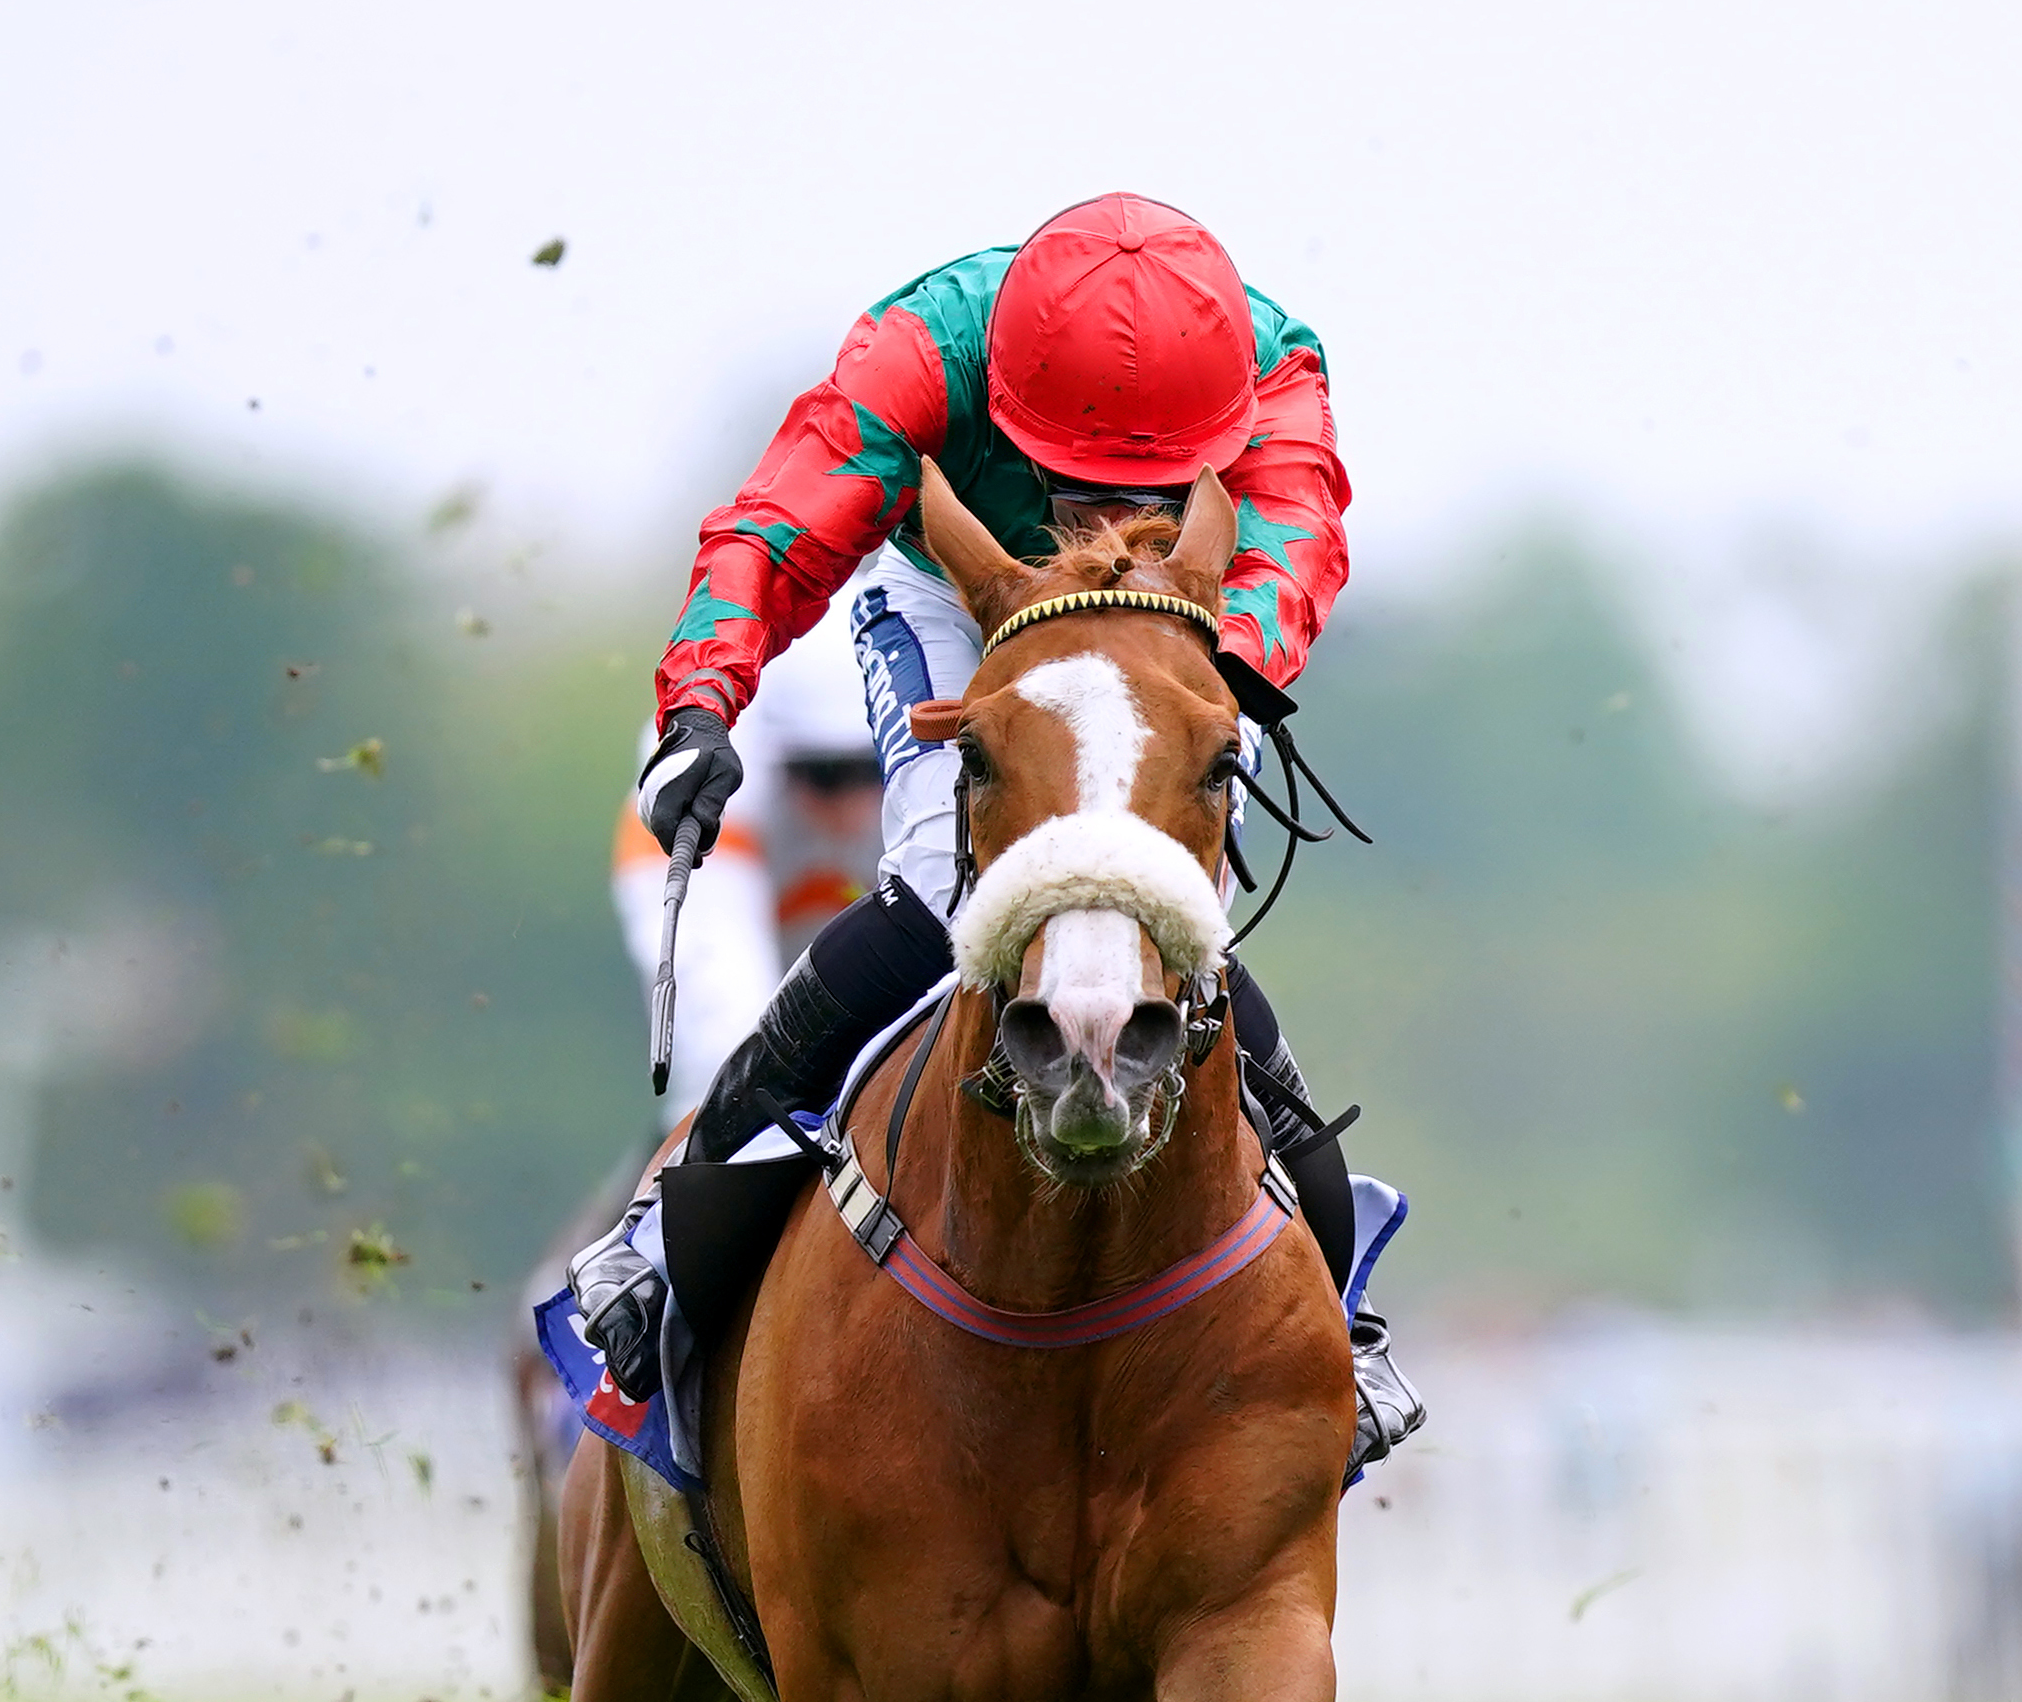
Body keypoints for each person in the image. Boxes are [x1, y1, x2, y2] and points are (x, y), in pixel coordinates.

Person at [566, 193, 1419, 1461]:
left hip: (1169, 616)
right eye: (1075, 480)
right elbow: (773, 530)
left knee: (1171, 910)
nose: (1096, 510)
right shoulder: (921, 350)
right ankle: (659, 1223)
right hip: (957, 594)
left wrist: (1215, 678)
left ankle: (1333, 1308)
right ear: (1008, 402)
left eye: (1143, 481)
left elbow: (1295, 530)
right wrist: (701, 703)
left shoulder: (1274, 361)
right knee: (941, 888)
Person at [610, 611, 888, 1128]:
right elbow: (728, 1036)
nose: (853, 811)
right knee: (739, 1078)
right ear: (775, 756)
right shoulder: (713, 797)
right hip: (725, 892)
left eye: (871, 771)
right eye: (826, 777)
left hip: (825, 930)